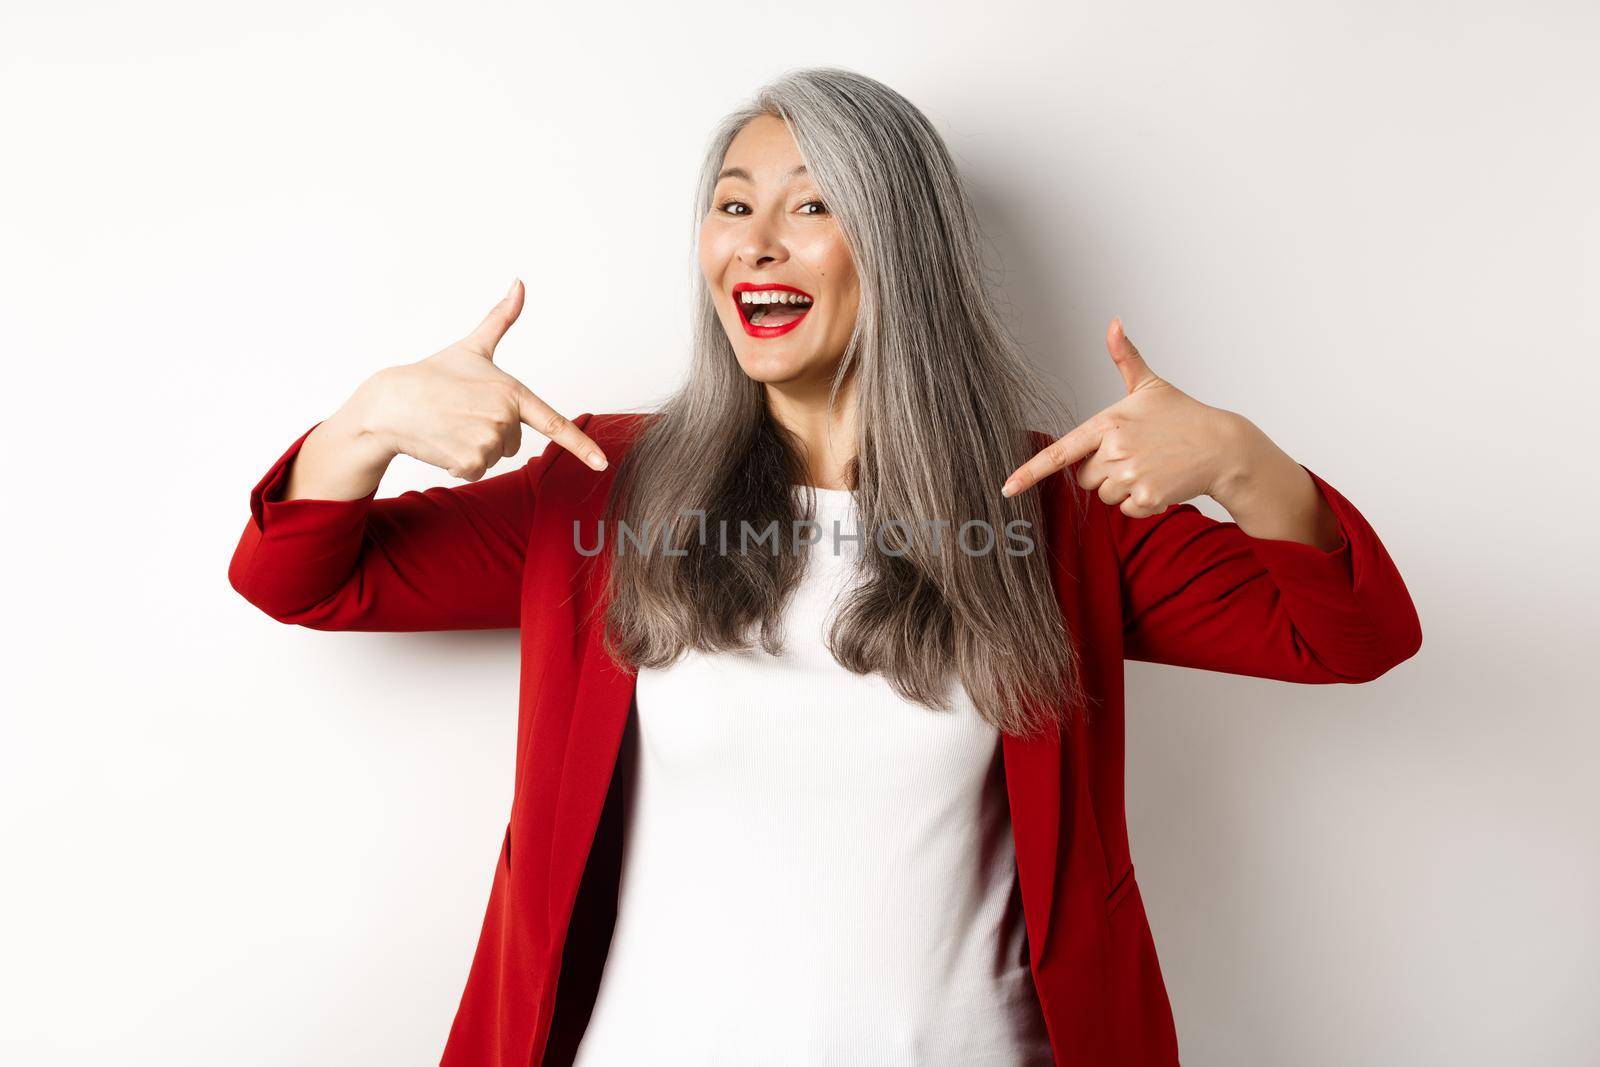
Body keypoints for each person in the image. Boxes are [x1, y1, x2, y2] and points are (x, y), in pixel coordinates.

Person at [227, 67, 1422, 1067]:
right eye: (731, 204)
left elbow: (1347, 637)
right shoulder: (608, 489)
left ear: (897, 245)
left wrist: (1241, 461)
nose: (753, 240)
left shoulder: (1049, 511)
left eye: (809, 206)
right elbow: (307, 577)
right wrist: (367, 425)